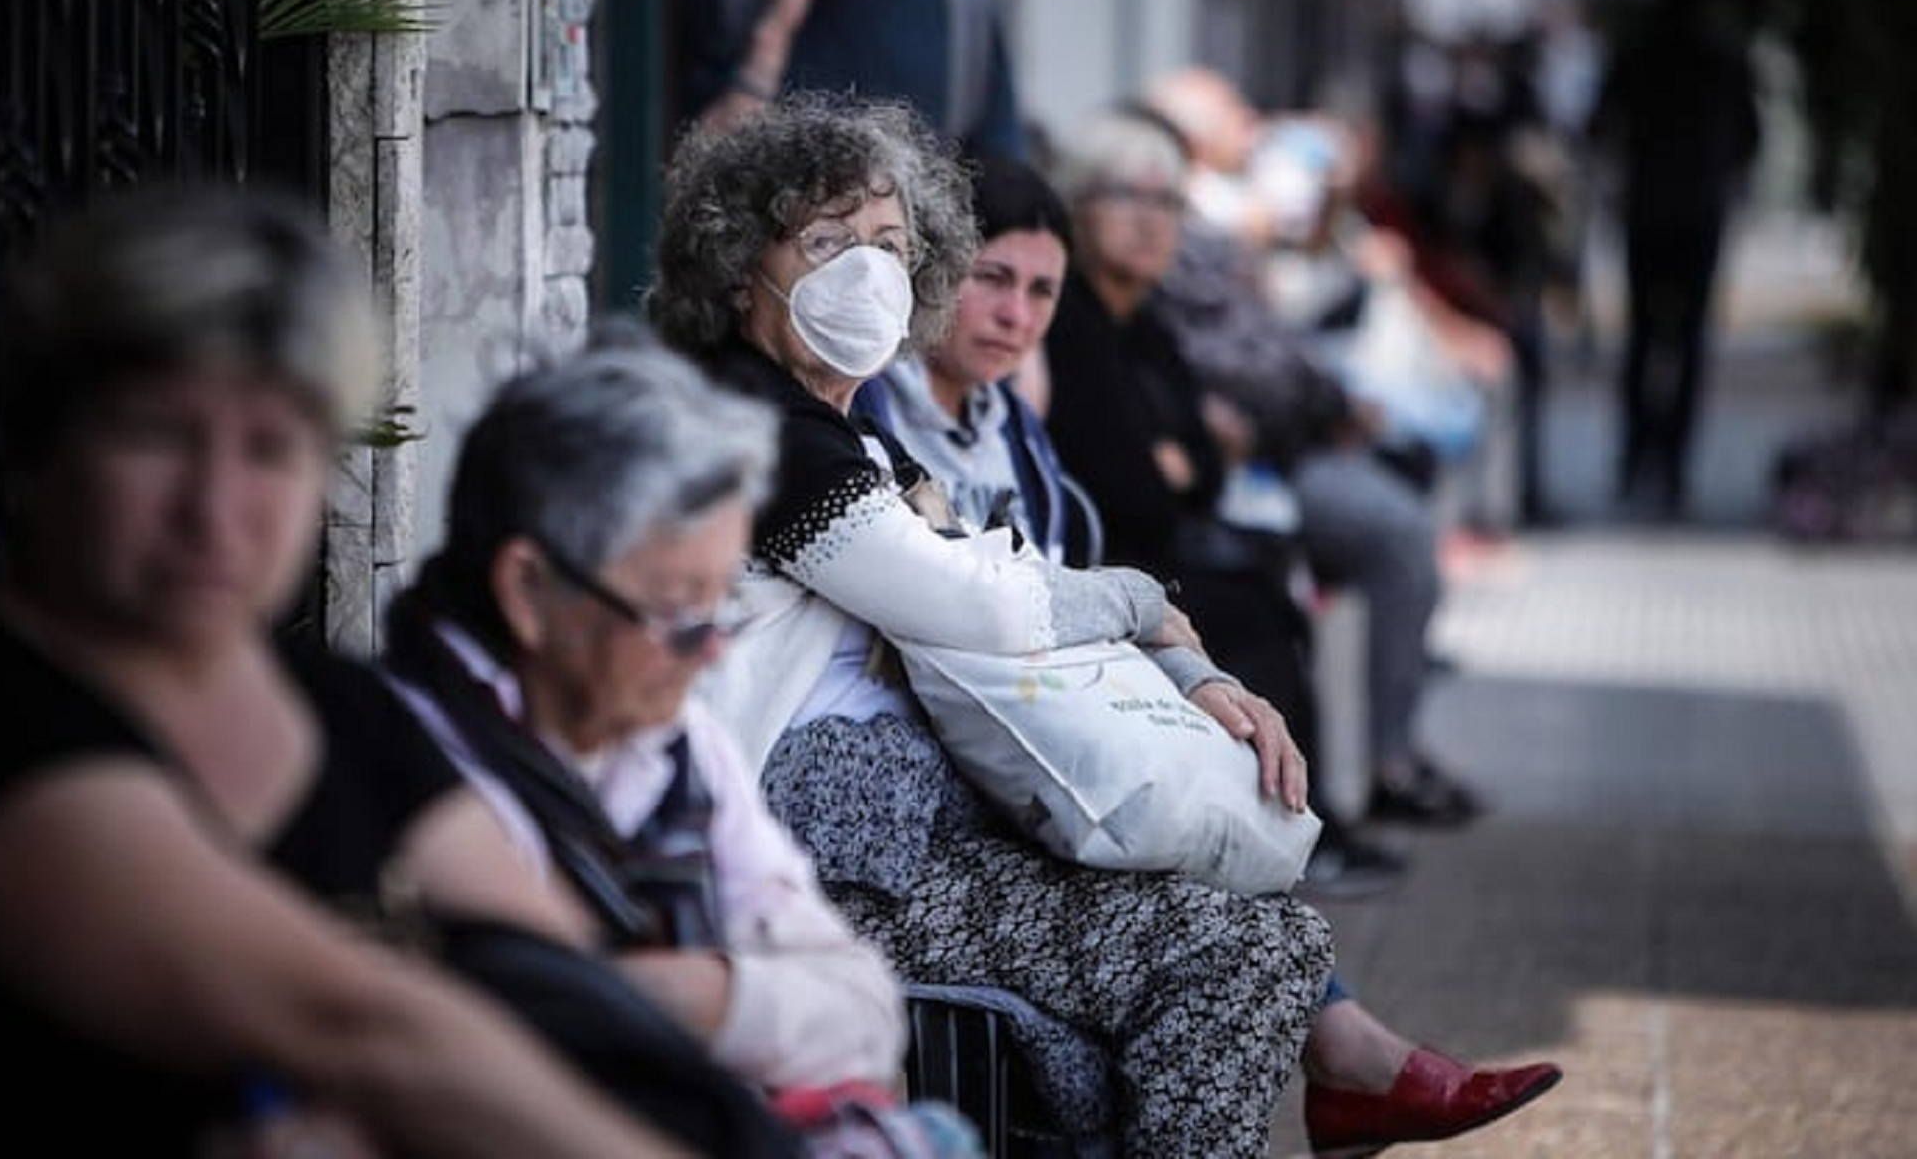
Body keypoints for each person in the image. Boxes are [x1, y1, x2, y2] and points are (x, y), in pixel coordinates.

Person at [0, 184, 716, 1159]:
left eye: (271, 450)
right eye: (155, 434)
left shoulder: (339, 706)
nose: (214, 509)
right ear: (39, 444)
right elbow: (354, 1027)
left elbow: (565, 988)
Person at [649, 91, 1332, 1156]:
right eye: (825, 242)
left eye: (887, 242)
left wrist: (1185, 669)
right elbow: (975, 601)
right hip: (825, 864)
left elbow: (995, 566)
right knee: (1240, 947)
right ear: (742, 265)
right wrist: (1145, 602)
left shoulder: (852, 438)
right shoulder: (758, 431)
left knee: (1266, 928)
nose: (864, 269)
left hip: (916, 840)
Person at [858, 152, 1562, 1158]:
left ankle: (1353, 1062)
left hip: (1033, 736)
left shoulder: (1009, 422)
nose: (1014, 314)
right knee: (1243, 915)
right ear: (933, 277)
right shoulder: (878, 425)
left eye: (1041, 292)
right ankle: (1353, 1061)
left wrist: (1195, 676)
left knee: (1229, 769)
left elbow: (1084, 586)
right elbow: (984, 604)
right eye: (990, 280)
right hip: (950, 774)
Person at [380, 338, 961, 1131]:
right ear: (527, 590)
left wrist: (683, 994)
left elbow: (865, 1016)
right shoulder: (399, 761)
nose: (712, 647)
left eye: (718, 603)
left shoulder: (678, 747)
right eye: (675, 610)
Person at [1137, 70, 1493, 838]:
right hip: (1258, 463)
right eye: (1233, 113)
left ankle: (1388, 748)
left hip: (1275, 444)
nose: (1253, 124)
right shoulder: (1194, 228)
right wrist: (1326, 408)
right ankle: (1383, 765)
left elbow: (1265, 348)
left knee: (1405, 485)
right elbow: (1243, 367)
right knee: (1389, 536)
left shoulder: (1229, 218)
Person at [1592, 0, 1760, 517]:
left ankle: (1639, 459)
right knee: (1685, 345)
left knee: (1644, 341)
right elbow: (1749, 140)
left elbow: (1598, 126)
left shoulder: (1639, 53)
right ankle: (1671, 466)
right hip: (1695, 213)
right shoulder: (1721, 58)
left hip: (1649, 211)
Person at [679, 0, 1027, 162]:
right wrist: (773, 30)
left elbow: (1003, 194)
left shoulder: (961, 2)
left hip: (913, 276)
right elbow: (694, 174)